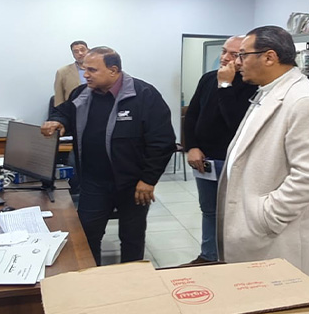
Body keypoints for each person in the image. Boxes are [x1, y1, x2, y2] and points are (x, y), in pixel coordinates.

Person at [217, 26, 309, 285]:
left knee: (280, 301)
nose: (237, 63)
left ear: (269, 57)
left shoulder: (306, 101)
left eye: (243, 55)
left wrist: (266, 217)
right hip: (255, 230)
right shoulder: (268, 92)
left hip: (277, 235)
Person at [41, 46, 175, 265]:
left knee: (132, 238)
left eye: (92, 70)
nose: (85, 75)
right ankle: (92, 278)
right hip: (94, 181)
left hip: (134, 184)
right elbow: (64, 111)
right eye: (84, 69)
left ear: (113, 71)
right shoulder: (81, 94)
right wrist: (58, 121)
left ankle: (131, 280)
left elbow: (163, 142)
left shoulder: (144, 95)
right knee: (87, 234)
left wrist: (149, 179)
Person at [183, 35, 257, 264]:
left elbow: (236, 124)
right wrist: (191, 147)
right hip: (205, 160)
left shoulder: (252, 83)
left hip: (234, 162)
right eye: (224, 51)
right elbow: (192, 115)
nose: (225, 57)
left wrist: (226, 85)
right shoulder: (208, 79)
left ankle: (231, 260)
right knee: (209, 211)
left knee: (234, 214)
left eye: (234, 54)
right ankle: (209, 256)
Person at [54, 40, 89, 107]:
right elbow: (59, 99)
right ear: (73, 54)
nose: (80, 53)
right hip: (73, 109)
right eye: (76, 51)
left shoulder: (99, 69)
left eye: (82, 50)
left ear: (88, 51)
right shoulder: (62, 72)